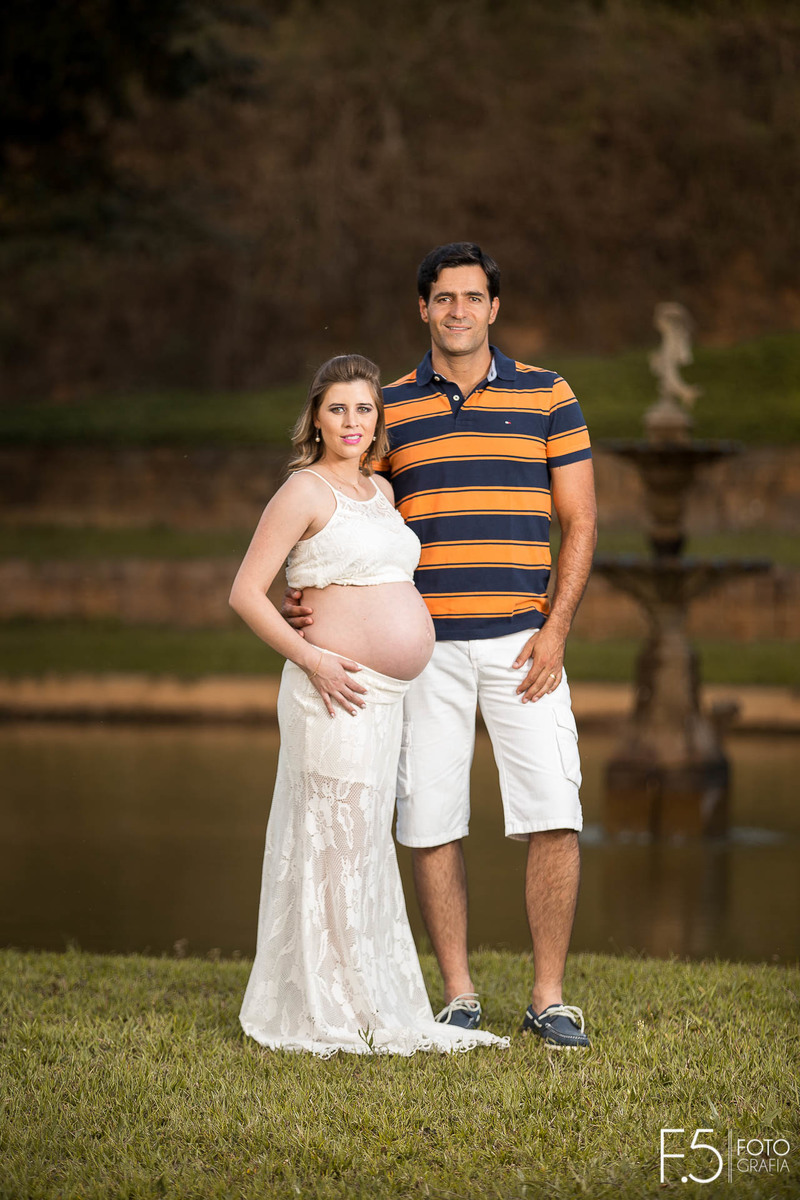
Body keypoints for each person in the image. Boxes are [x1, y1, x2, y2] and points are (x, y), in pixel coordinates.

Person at [285, 245, 597, 1050]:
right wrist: (310, 587)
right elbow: (348, 509)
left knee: (555, 813)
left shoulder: (549, 394)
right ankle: (459, 995)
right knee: (429, 821)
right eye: (444, 298)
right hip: (424, 655)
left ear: (494, 307)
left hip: (527, 647)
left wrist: (558, 629)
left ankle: (549, 999)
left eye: (473, 296)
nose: (459, 310)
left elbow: (580, 521)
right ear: (422, 308)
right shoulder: (386, 407)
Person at [229, 352, 508, 1056]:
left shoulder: (381, 490)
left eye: (364, 408)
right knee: (331, 843)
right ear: (316, 418)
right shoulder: (303, 490)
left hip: (384, 700)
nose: (352, 421)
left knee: (362, 845)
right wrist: (314, 658)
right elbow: (245, 594)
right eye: (338, 409)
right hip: (332, 690)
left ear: (377, 418)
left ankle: (366, 993)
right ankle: (327, 1003)